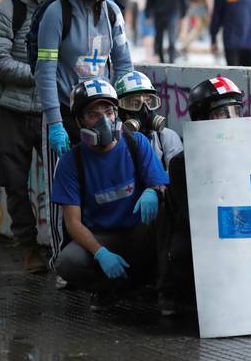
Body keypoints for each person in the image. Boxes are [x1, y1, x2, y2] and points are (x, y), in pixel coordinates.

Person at [52, 78, 169, 311]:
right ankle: (110, 289)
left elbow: (161, 185)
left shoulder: (137, 143)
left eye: (109, 111)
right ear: (79, 121)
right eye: (94, 114)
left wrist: (152, 192)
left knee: (166, 216)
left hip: (139, 231)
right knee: (68, 262)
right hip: (103, 237)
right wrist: (100, 253)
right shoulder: (70, 163)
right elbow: (72, 222)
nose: (104, 120)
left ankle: (162, 288)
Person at [0, 0, 67, 273]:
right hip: (11, 111)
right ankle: (29, 247)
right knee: (15, 182)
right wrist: (40, 75)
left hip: (50, 111)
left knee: (62, 179)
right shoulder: (8, 12)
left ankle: (65, 244)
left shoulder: (62, 10)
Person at [35, 0, 133, 155]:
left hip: (105, 111)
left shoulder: (113, 12)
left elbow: (124, 64)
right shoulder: (56, 13)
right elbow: (46, 71)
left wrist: (124, 111)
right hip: (67, 114)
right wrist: (55, 123)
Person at [160, 76, 244, 312]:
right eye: (222, 113)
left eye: (236, 111)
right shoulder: (181, 163)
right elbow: (193, 216)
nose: (231, 120)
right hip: (199, 231)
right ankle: (175, 292)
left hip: (239, 223)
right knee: (182, 251)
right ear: (201, 119)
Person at [114, 71, 183, 169]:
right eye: (134, 103)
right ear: (119, 109)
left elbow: (177, 178)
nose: (145, 111)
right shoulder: (113, 143)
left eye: (149, 102)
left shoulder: (166, 137)